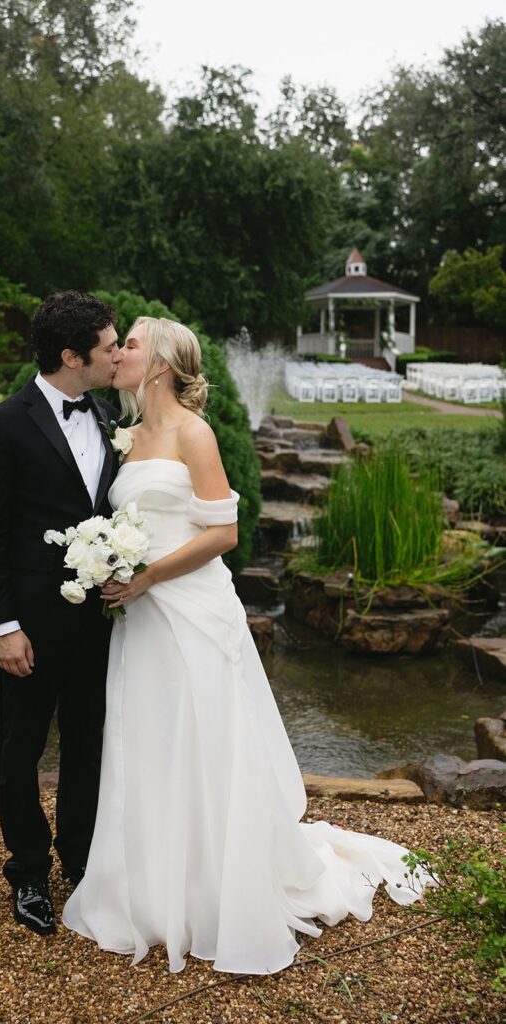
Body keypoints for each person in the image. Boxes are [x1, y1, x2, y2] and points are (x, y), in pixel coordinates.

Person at [61, 316, 432, 974]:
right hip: (139, 621)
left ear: (162, 365)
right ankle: (145, 889)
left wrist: (143, 575)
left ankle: (213, 892)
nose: (119, 352)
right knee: (145, 742)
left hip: (187, 612)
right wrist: (105, 560)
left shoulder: (192, 432)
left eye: (133, 345)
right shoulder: (130, 434)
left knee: (202, 743)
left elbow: (223, 533)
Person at [0, 291, 123, 936]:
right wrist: (3, 627)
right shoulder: (0, 425)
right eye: (109, 347)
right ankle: (28, 872)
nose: (118, 355)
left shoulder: (114, 417)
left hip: (102, 624)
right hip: (29, 626)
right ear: (71, 356)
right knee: (21, 749)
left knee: (88, 748)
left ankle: (81, 860)